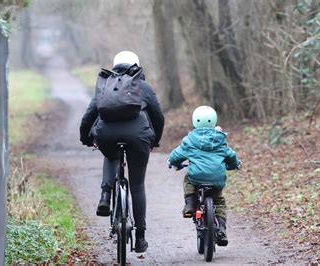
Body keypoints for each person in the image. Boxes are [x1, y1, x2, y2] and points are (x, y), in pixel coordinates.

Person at [79, 51, 164, 253]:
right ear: (136, 66)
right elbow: (158, 116)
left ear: (115, 65)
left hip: (107, 135)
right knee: (137, 186)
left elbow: (89, 115)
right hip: (139, 137)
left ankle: (105, 196)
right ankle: (141, 238)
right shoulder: (143, 86)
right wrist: (155, 141)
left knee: (110, 155)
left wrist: (87, 139)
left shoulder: (106, 85)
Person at [168, 106, 241, 246]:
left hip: (196, 177)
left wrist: (173, 162)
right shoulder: (219, 139)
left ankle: (190, 203)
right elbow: (230, 155)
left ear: (195, 121)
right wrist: (234, 164)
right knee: (219, 201)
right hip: (216, 178)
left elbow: (177, 155)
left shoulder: (190, 139)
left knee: (187, 179)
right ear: (214, 121)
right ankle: (221, 228)